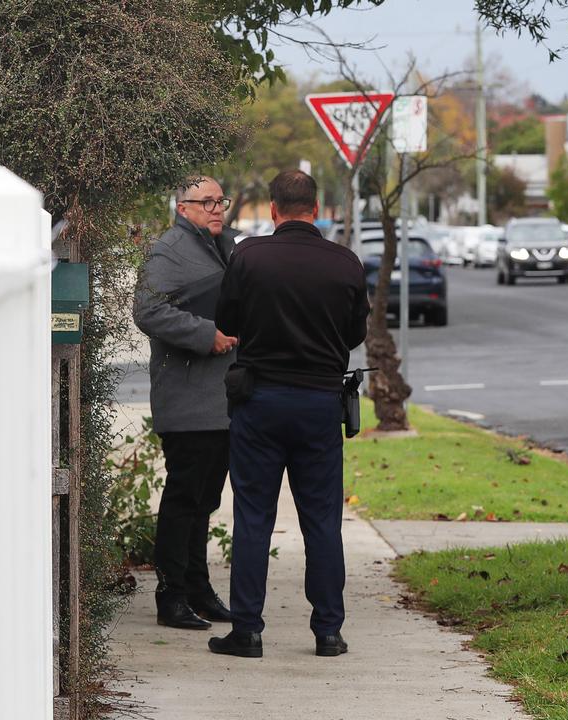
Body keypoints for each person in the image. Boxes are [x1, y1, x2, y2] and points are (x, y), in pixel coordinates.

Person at [207, 170, 369, 659]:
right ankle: (328, 631)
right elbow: (354, 334)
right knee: (322, 520)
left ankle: (248, 630)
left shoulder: (249, 257)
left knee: (254, 517)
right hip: (320, 403)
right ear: (316, 209)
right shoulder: (345, 263)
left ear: (274, 210)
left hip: (261, 401)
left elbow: (227, 322)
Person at [132, 176, 239, 630]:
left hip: (220, 400)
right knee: (183, 500)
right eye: (207, 202)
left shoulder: (224, 246)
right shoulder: (169, 250)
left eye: (221, 201)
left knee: (205, 502)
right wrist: (204, 335)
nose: (217, 209)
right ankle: (170, 595)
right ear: (182, 206)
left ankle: (197, 588)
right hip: (187, 398)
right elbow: (147, 310)